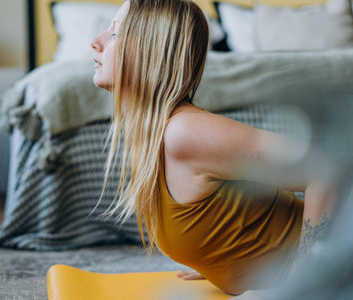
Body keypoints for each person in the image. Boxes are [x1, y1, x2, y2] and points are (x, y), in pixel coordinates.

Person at [91, 0, 338, 296]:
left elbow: (328, 170)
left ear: (151, 49)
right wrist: (222, 256)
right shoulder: (153, 136)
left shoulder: (184, 132)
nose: (95, 43)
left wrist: (305, 279)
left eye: (116, 33)